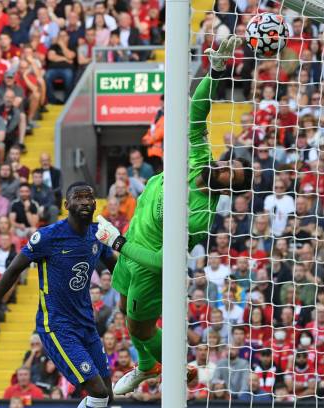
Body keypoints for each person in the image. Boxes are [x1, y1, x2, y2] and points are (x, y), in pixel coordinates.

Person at [96, 36, 252, 394]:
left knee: (140, 328)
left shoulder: (200, 216)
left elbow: (165, 261)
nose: (226, 171)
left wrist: (117, 242)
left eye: (232, 178)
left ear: (229, 190)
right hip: (134, 244)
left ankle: (174, 365)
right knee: (122, 304)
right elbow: (197, 111)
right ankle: (149, 365)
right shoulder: (198, 157)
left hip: (148, 265)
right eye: (230, 166)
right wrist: (215, 71)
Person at [0, 182, 118, 408]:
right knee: (97, 391)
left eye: (88, 197)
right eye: (78, 197)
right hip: (57, 326)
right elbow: (11, 272)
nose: (85, 201)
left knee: (108, 394)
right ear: (66, 204)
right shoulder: (49, 237)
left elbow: (117, 268)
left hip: (86, 323)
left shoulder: (97, 234)